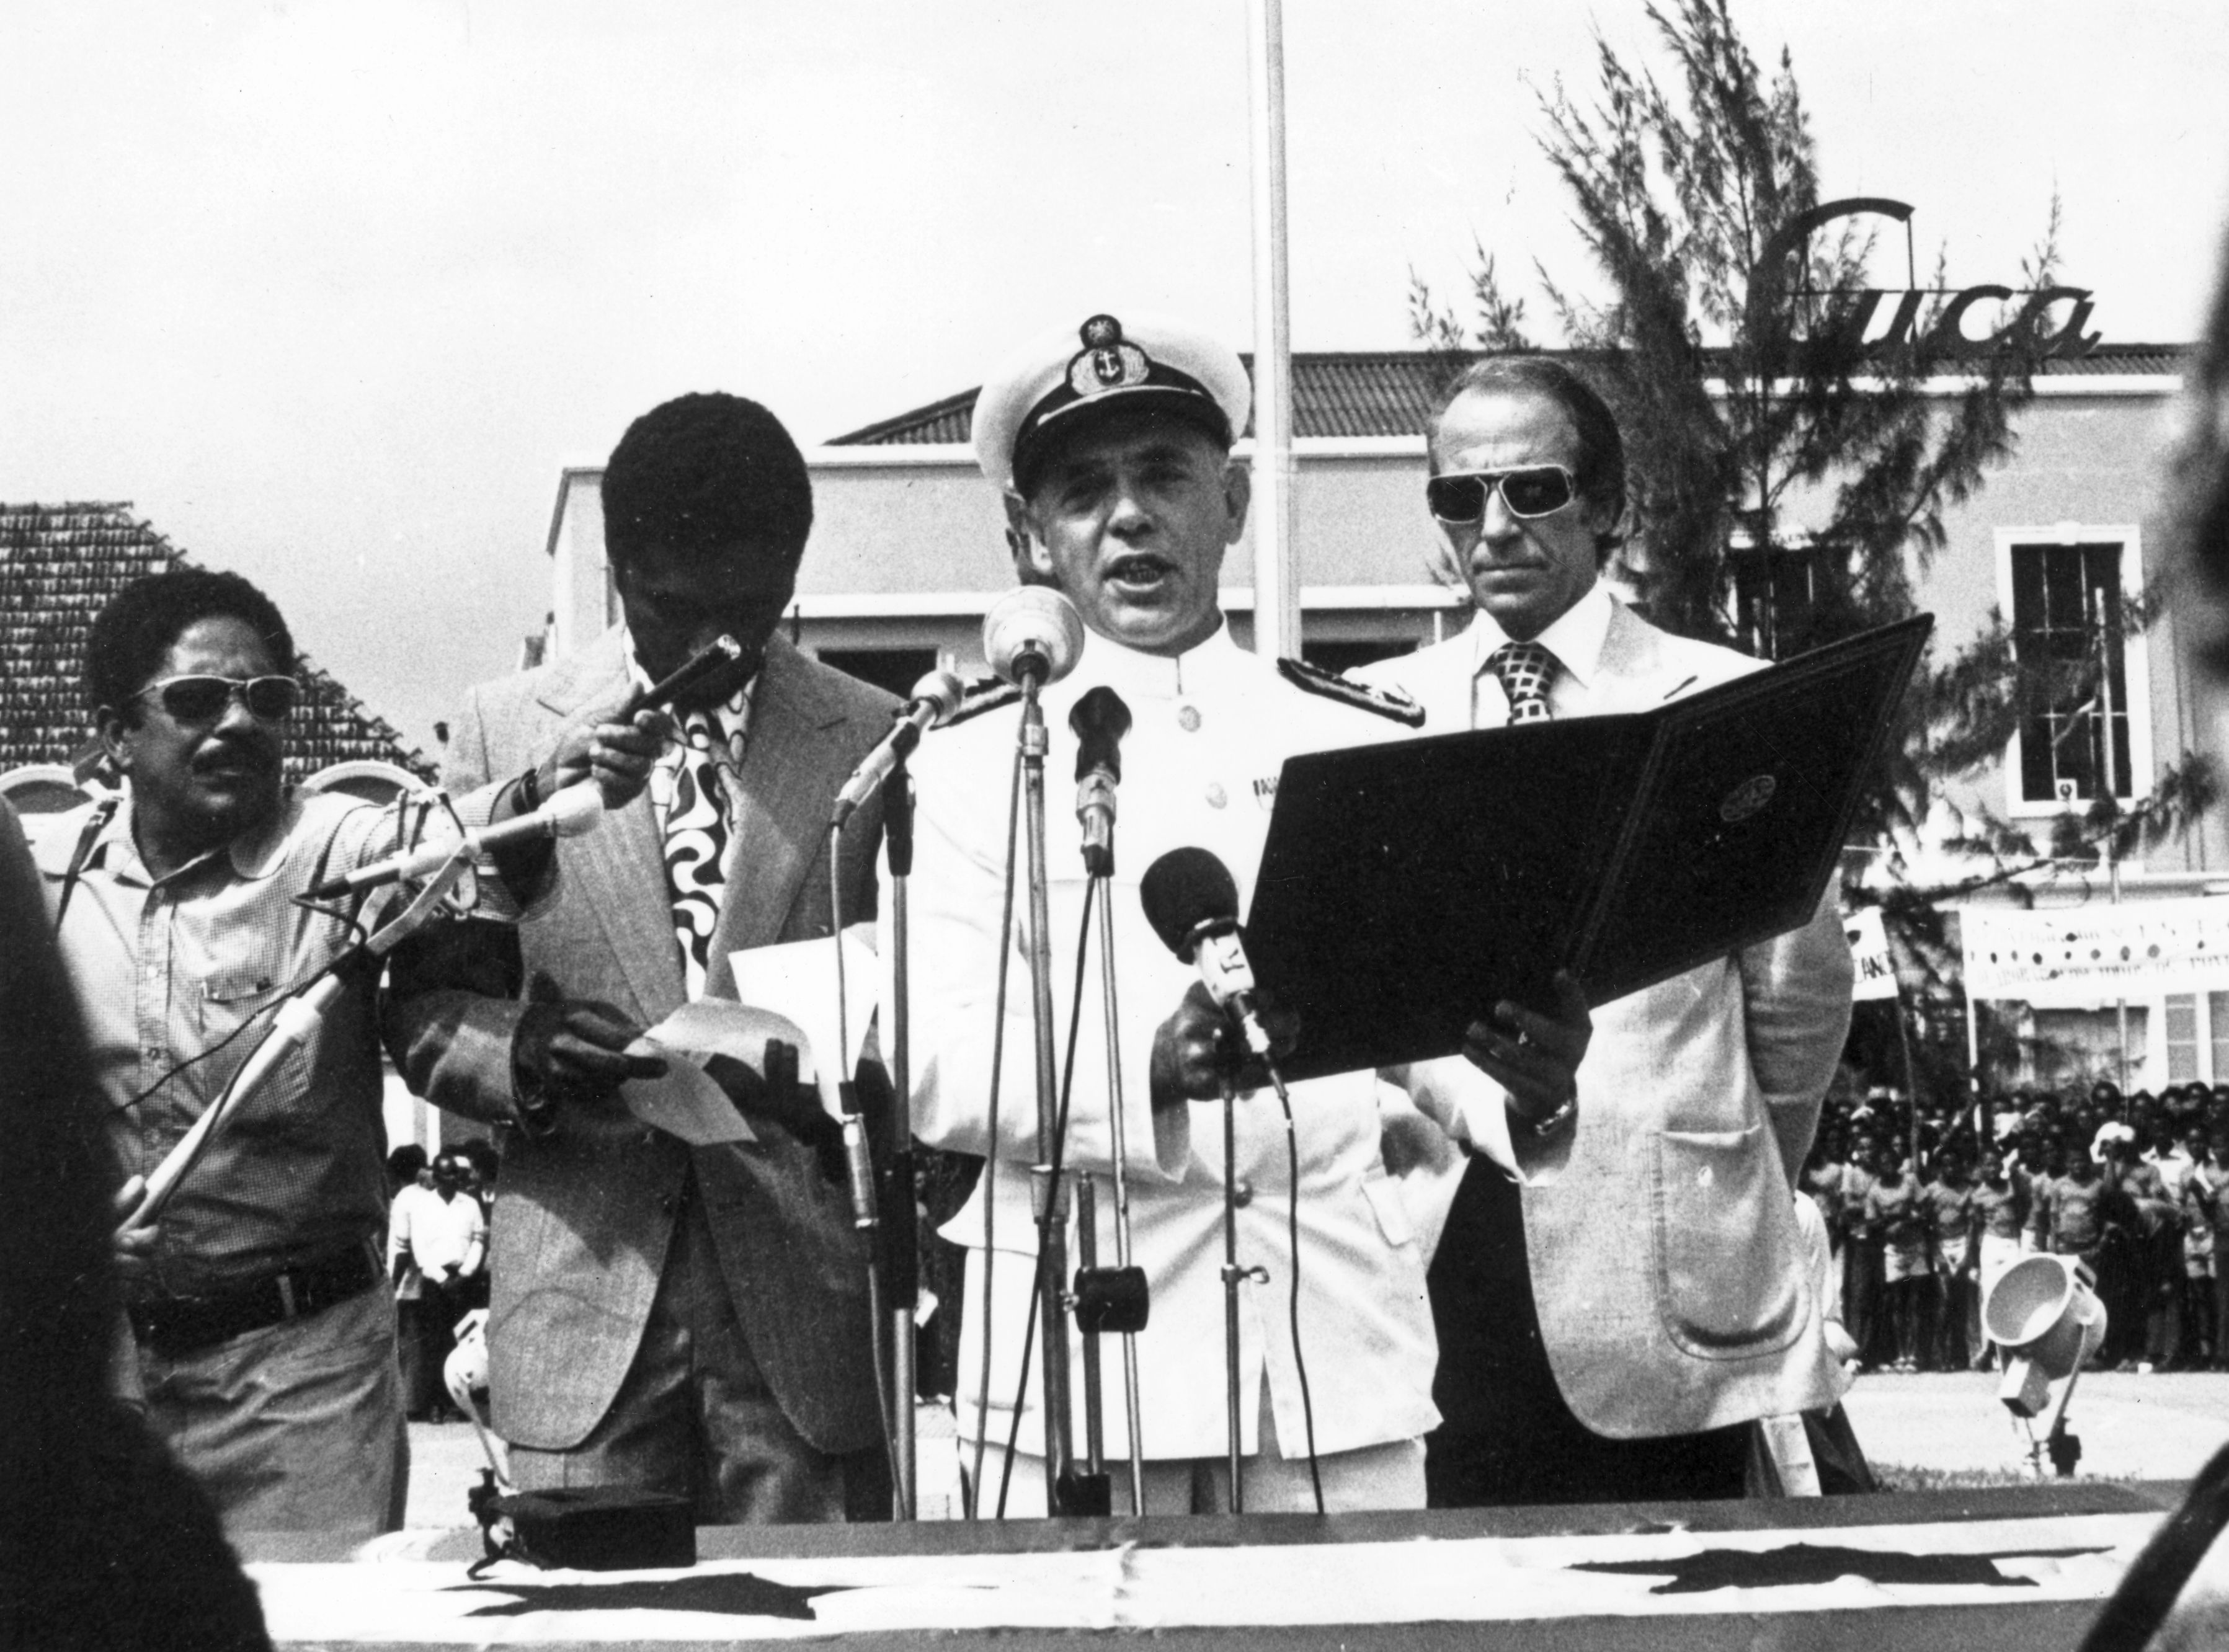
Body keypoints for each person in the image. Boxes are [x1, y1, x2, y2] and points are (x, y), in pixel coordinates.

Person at [904, 312, 1564, 1517]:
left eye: (1164, 477)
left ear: (1234, 503)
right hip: (1082, 1352)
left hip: (1329, 1350)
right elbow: (937, 1062)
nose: (1128, 517)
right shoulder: (972, 762)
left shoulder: (1349, 735)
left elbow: (1416, 1028)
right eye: (1082, 492)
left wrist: (1520, 1089)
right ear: (1027, 538)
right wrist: (1145, 1070)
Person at [383, 392, 899, 1522]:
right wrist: (524, 1052)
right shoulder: (506, 730)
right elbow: (425, 1009)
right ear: (617, 571)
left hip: (803, 1316)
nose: (715, 646)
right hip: (582, 1300)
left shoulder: (875, 736)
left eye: (749, 611)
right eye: (675, 610)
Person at [1352, 354, 1854, 1503]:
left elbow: (1796, 1003)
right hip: (1437, 1260)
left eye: (1531, 490)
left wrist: (1713, 1163)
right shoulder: (1374, 717)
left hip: (1662, 1262)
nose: (1493, 527)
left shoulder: (1725, 705)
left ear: (1608, 506)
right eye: (1458, 497)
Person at [25, 569, 416, 1535]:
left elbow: (454, 836)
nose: (239, 723)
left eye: (266, 700)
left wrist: (540, 795)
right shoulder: (39, 881)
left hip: (303, 1388)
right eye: (198, 699)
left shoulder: (339, 850)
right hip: (103, 1385)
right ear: (118, 734)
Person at [391, 1149, 486, 1422]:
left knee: (465, 1342)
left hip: (464, 1279)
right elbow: (419, 1249)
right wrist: (443, 1279)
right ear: (436, 1176)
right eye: (446, 1175)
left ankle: (463, 1403)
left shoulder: (470, 1205)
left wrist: (465, 1274)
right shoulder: (422, 1206)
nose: (452, 1180)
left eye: (455, 1175)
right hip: (435, 1282)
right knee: (435, 1343)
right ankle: (436, 1405)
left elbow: (479, 1241)